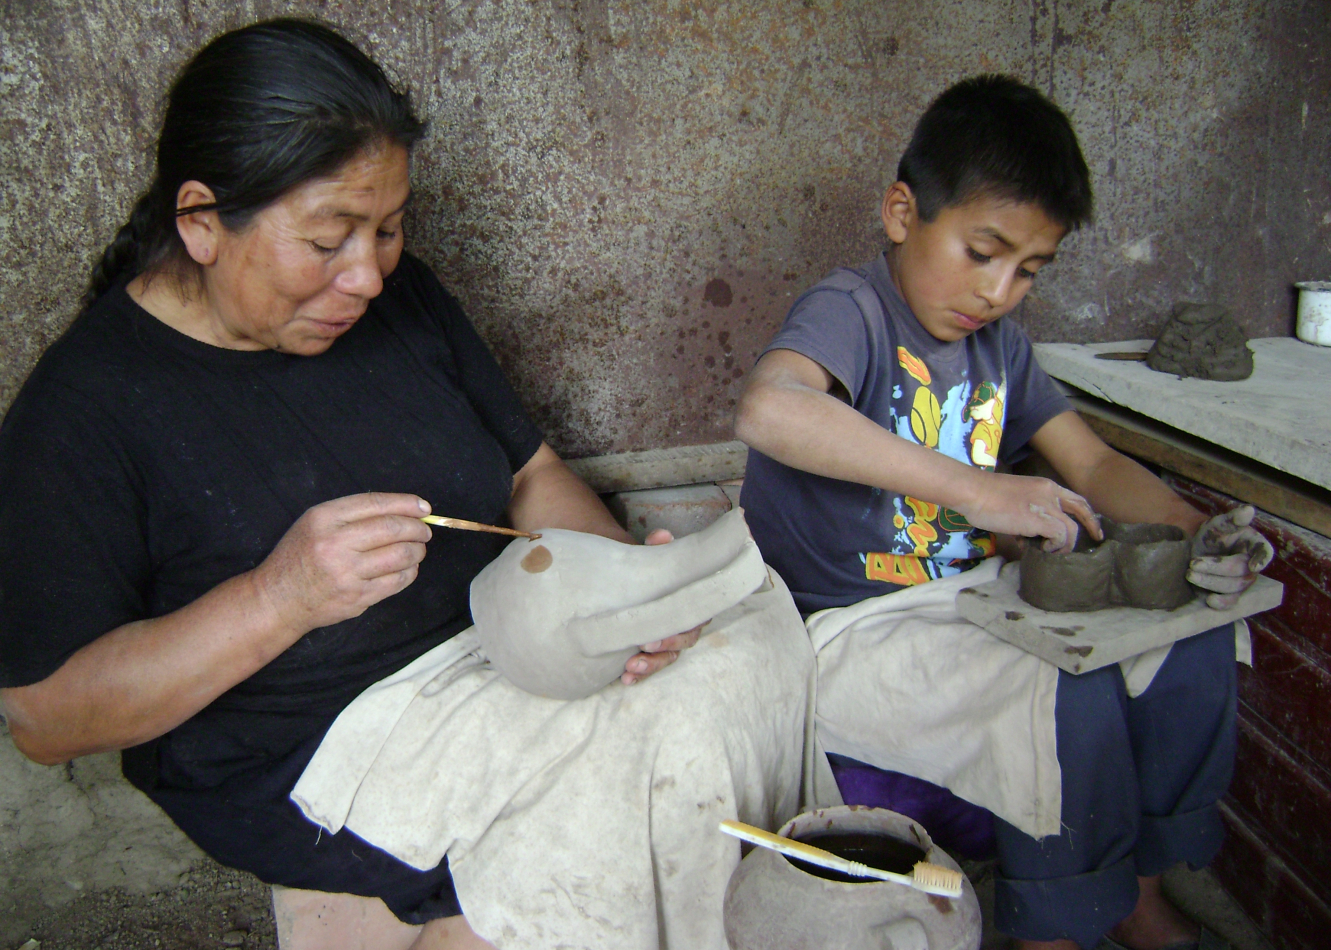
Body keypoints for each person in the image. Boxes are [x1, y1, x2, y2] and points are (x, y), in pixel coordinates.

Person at [0, 20, 710, 949]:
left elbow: (532, 476)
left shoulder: (397, 292)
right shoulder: (84, 412)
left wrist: (623, 592)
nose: (369, 275)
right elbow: (45, 720)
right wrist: (278, 598)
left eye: (387, 228)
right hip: (307, 749)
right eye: (329, 237)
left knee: (726, 674)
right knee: (610, 837)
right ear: (201, 223)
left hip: (493, 657)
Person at [734, 75, 1273, 950]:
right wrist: (981, 489)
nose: (999, 291)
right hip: (854, 625)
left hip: (978, 604)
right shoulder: (852, 311)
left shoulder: (1000, 347)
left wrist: (1189, 528)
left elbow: (1090, 461)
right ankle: (1052, 928)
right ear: (903, 212)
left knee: (1195, 633)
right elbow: (769, 409)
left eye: (1027, 269)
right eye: (982, 251)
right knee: (1062, 692)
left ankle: (1135, 891)